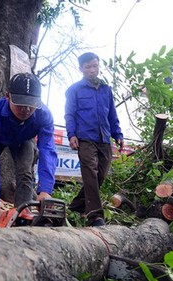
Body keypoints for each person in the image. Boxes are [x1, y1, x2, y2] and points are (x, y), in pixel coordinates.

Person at [0, 72, 58, 229]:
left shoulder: (44, 116)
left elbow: (48, 150)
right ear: (8, 96)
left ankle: (22, 218)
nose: (26, 110)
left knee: (25, 172)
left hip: (24, 139)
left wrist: (45, 190)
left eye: (31, 105)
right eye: (20, 104)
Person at [64, 52, 124, 227]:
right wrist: (72, 134)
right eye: (88, 67)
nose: (92, 70)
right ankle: (95, 216)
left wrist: (118, 134)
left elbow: (112, 114)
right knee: (90, 173)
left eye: (95, 66)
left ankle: (76, 206)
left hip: (104, 138)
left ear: (98, 66)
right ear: (81, 69)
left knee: (100, 175)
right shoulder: (74, 90)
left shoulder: (106, 89)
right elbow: (70, 114)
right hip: (85, 138)